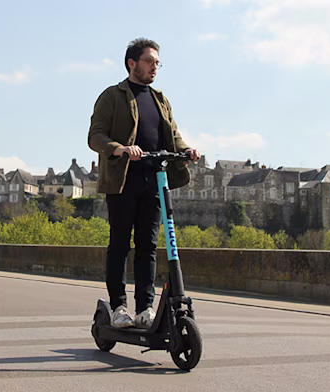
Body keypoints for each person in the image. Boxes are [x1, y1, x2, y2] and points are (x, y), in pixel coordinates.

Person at [88, 38, 201, 329]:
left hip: (154, 182)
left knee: (148, 246)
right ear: (132, 63)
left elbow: (173, 136)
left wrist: (186, 150)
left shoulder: (160, 100)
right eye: (149, 61)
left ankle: (145, 308)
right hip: (123, 182)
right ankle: (118, 307)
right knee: (119, 245)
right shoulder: (112, 96)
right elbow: (95, 136)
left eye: (157, 63)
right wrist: (120, 149)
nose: (154, 67)